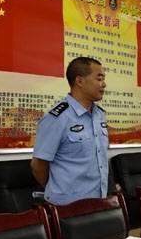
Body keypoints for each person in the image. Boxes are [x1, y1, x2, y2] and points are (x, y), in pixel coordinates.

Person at [31, 57, 109, 205]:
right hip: (66, 206)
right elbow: (38, 165)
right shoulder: (58, 117)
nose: (104, 84)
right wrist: (57, 188)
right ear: (80, 81)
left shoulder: (99, 115)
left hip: (99, 201)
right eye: (99, 79)